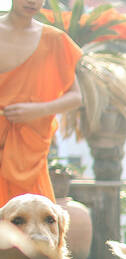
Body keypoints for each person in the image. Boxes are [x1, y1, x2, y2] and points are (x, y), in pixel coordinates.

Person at [0, 0, 82, 206]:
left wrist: (39, 110)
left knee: (33, 222)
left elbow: (75, 96)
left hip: (29, 150)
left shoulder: (54, 40)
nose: (32, 1)